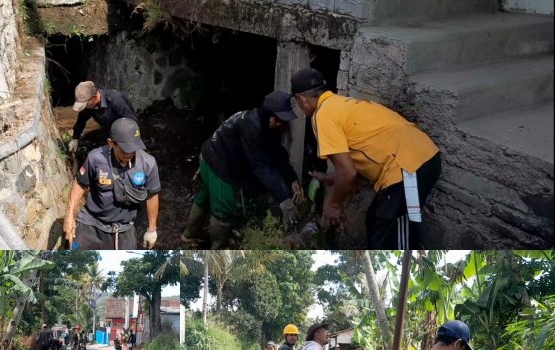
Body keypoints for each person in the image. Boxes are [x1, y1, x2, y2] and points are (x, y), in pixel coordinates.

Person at [291, 67, 441, 250]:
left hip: (408, 168)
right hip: (417, 158)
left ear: (302, 99)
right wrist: (333, 179)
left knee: (395, 235)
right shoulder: (342, 103)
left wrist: (333, 205)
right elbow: (362, 153)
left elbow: (347, 172)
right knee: (378, 221)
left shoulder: (322, 115)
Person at [181, 91, 304, 248]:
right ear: (268, 114)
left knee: (205, 197)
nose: (281, 124)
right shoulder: (252, 127)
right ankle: (216, 250)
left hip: (214, 154)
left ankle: (190, 234)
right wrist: (284, 200)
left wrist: (291, 178)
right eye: (278, 119)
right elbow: (261, 167)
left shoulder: (265, 124)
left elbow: (277, 152)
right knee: (224, 212)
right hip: (216, 162)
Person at [64, 118, 160, 250]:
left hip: (123, 229)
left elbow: (152, 195)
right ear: (111, 143)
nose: (129, 154)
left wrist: (151, 229)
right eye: (125, 149)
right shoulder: (96, 158)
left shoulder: (148, 164)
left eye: (133, 149)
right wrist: (69, 215)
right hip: (91, 224)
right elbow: (80, 183)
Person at [69, 81, 138, 155]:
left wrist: (124, 144)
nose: (85, 106)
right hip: (108, 130)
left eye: (86, 104)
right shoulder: (89, 105)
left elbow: (131, 123)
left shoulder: (115, 100)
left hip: (125, 132)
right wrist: (75, 138)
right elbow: (81, 120)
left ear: (94, 97)